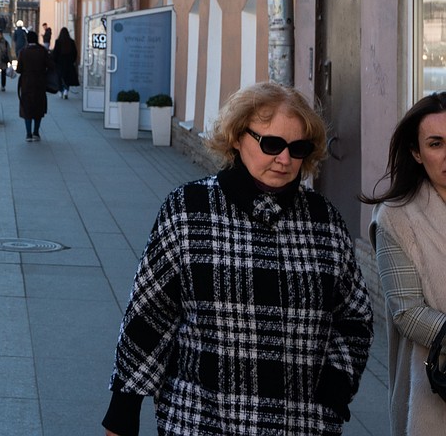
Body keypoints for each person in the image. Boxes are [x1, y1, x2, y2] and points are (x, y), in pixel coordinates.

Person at [101, 82, 373, 436]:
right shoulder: (188, 209)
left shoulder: (325, 221)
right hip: (199, 421)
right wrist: (124, 407)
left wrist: (336, 389)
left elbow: (355, 318)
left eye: (298, 148)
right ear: (236, 137)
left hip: (301, 424)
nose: (285, 158)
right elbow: (151, 313)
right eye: (272, 144)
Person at [361, 91, 446, 436]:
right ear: (416, 153)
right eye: (436, 143)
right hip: (432, 393)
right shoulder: (395, 218)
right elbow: (407, 312)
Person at [15, 28, 54, 141]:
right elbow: (51, 65)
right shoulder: (42, 51)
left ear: (27, 40)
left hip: (26, 83)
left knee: (27, 107)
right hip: (40, 83)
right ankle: (36, 132)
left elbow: (18, 69)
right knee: (38, 107)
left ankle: (28, 134)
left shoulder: (23, 52)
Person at [52, 25, 79, 100]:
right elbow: (75, 53)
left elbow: (55, 53)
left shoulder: (58, 42)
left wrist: (54, 62)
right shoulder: (71, 42)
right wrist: (72, 61)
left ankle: (61, 91)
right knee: (67, 78)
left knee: (60, 78)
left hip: (60, 64)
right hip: (69, 64)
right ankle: (66, 91)